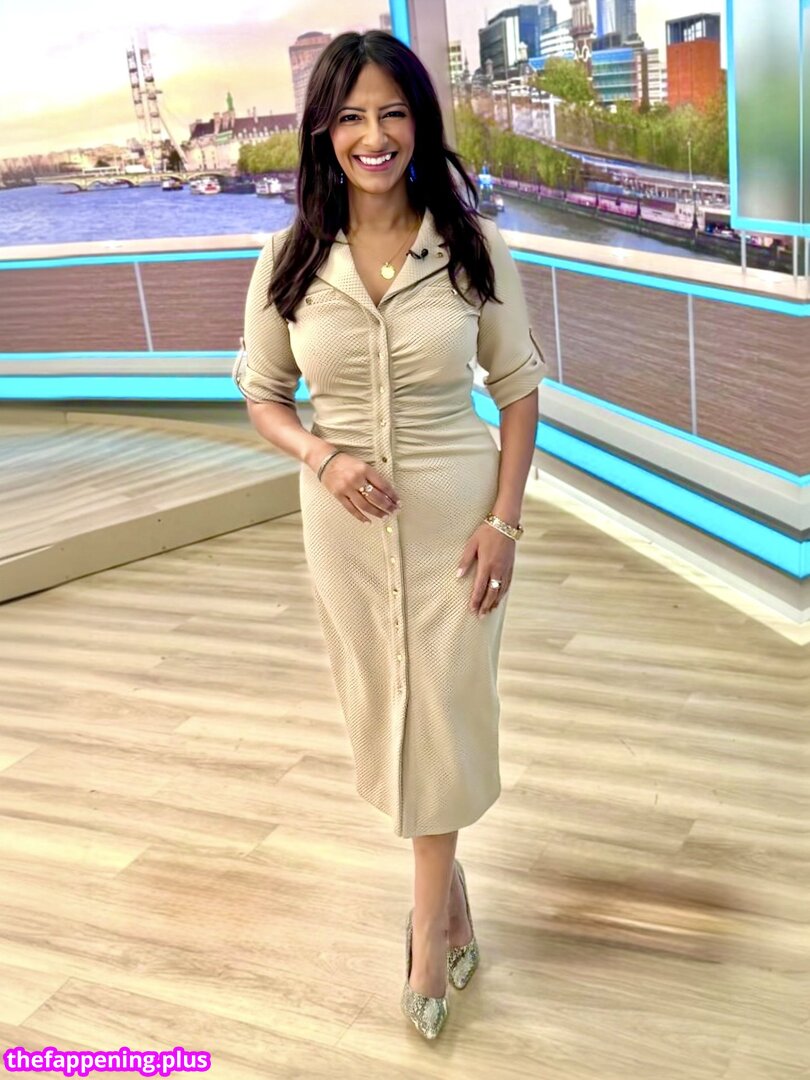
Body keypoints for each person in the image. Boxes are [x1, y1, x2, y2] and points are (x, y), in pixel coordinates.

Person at [232, 29, 546, 1040]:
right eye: (352, 116)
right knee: (390, 710)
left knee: (444, 708)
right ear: (324, 133)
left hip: (458, 523)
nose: (375, 136)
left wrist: (504, 521)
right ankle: (451, 904)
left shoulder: (471, 246)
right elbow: (263, 393)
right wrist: (322, 456)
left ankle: (425, 945)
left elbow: (519, 389)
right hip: (345, 532)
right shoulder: (286, 259)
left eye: (394, 112)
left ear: (420, 122)